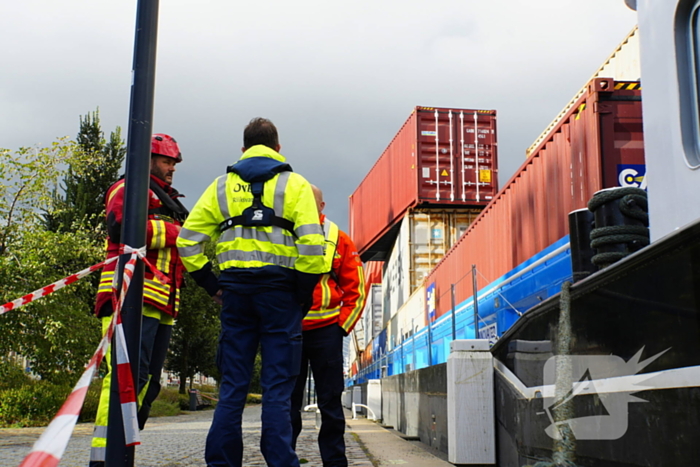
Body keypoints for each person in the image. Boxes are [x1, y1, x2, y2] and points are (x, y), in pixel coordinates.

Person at [177, 117, 326, 467]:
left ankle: (222, 463)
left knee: (232, 388)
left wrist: (213, 286)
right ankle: (280, 461)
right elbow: (312, 249)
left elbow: (187, 242)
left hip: (236, 296)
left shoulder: (220, 187)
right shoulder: (297, 186)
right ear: (278, 149)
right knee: (277, 389)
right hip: (281, 296)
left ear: (243, 150)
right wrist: (301, 294)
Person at [89, 134, 189, 467]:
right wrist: (177, 234)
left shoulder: (167, 200)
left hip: (161, 303)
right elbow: (122, 229)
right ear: (145, 159)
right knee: (123, 380)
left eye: (174, 162)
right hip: (129, 297)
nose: (171, 167)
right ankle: (104, 457)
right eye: (165, 160)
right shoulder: (127, 189)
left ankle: (124, 451)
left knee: (148, 384)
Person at [290, 186, 366, 467]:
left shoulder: (338, 238)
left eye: (313, 204)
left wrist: (340, 328)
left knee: (331, 403)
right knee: (287, 404)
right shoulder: (283, 235)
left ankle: (335, 462)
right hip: (290, 333)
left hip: (326, 332)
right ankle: (285, 459)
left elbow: (356, 289)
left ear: (322, 205)